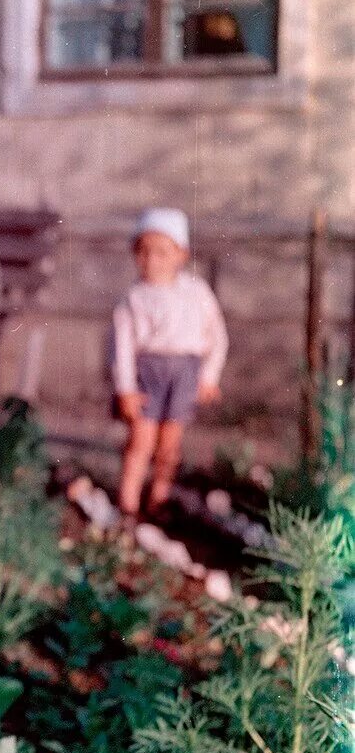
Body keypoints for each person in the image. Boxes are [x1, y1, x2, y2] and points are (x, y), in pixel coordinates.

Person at [111, 208, 229, 520]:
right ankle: (128, 504)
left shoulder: (196, 292)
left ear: (181, 254)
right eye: (144, 251)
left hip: (185, 373)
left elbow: (217, 336)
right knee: (141, 440)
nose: (151, 260)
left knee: (170, 444)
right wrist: (125, 389)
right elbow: (121, 348)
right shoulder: (133, 298)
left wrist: (208, 377)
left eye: (162, 252)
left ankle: (159, 498)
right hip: (147, 373)